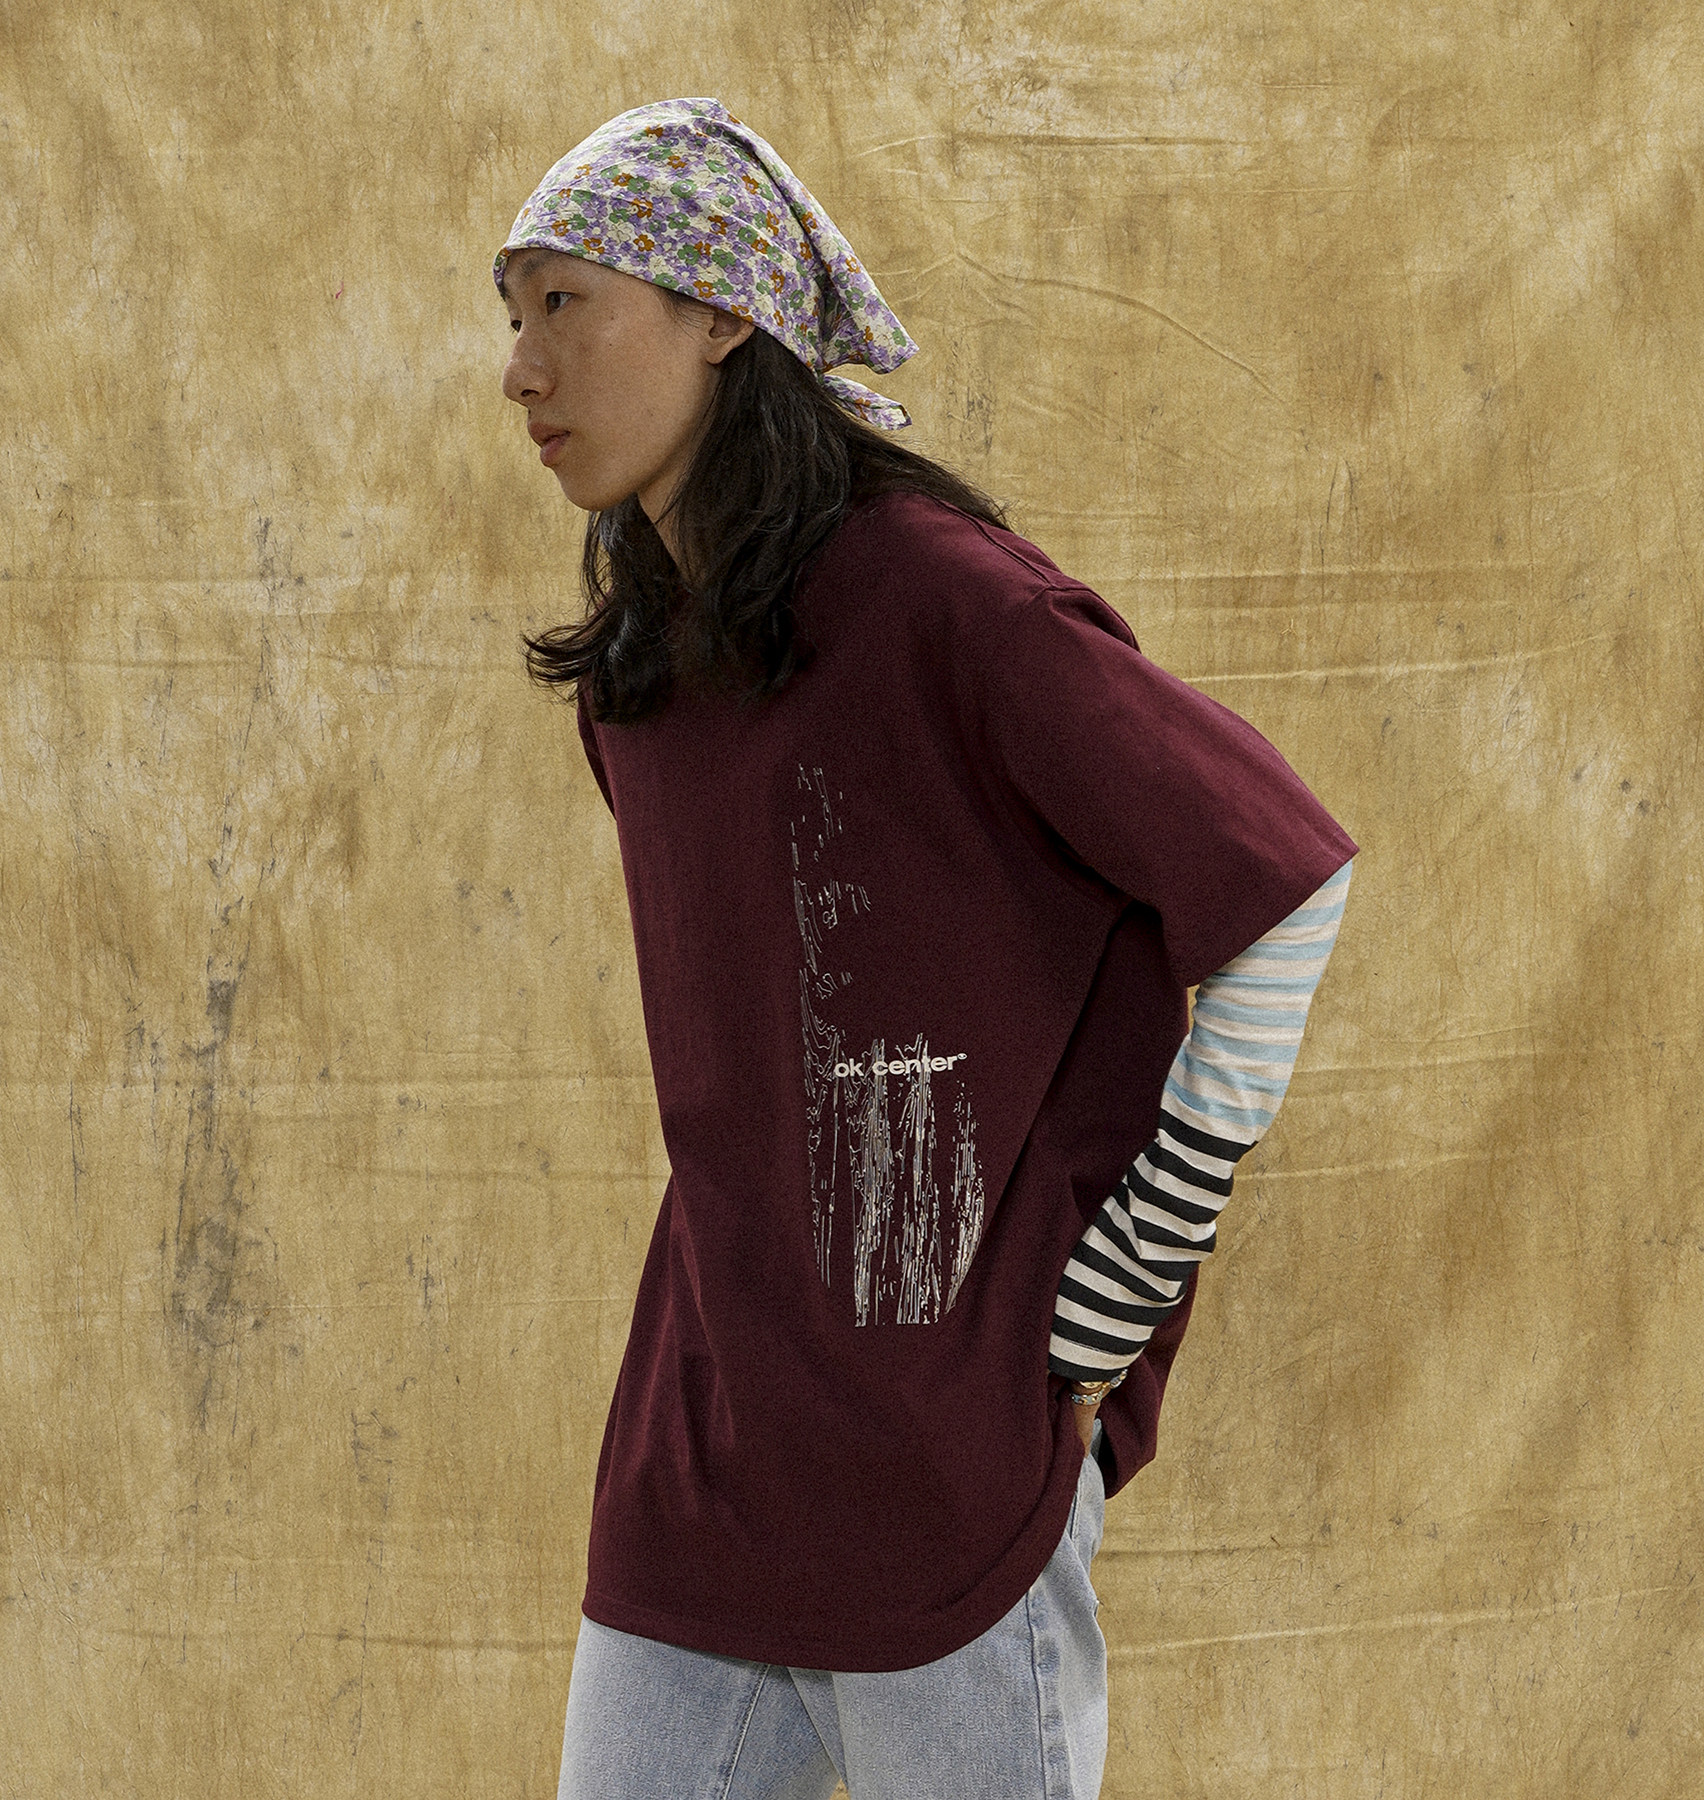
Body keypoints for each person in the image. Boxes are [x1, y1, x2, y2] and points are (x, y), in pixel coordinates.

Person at [495, 97, 1357, 1800]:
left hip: (949, 1477)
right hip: (702, 1467)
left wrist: (1133, 1271)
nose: (521, 369)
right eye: (510, 316)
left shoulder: (948, 603)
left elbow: (1284, 882)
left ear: (723, 312)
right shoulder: (640, 678)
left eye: (565, 303)